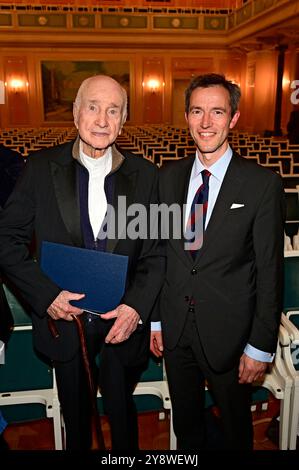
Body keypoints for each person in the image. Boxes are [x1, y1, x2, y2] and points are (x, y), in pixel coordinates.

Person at [0, 75, 165, 450]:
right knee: (76, 424)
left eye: (113, 111)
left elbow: (155, 255)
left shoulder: (145, 176)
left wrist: (136, 308)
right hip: (65, 325)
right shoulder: (41, 168)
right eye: (93, 107)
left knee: (124, 420)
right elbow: (6, 241)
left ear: (123, 121)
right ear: (76, 114)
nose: (102, 120)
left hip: (122, 327)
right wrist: (47, 297)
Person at [151, 73, 285, 450]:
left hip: (232, 335)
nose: (206, 123)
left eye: (217, 112)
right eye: (197, 111)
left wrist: (260, 346)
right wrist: (157, 320)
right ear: (187, 117)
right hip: (176, 333)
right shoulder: (168, 177)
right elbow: (163, 252)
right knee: (187, 428)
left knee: (235, 431)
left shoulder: (262, 184)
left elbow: (269, 271)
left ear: (234, 118)